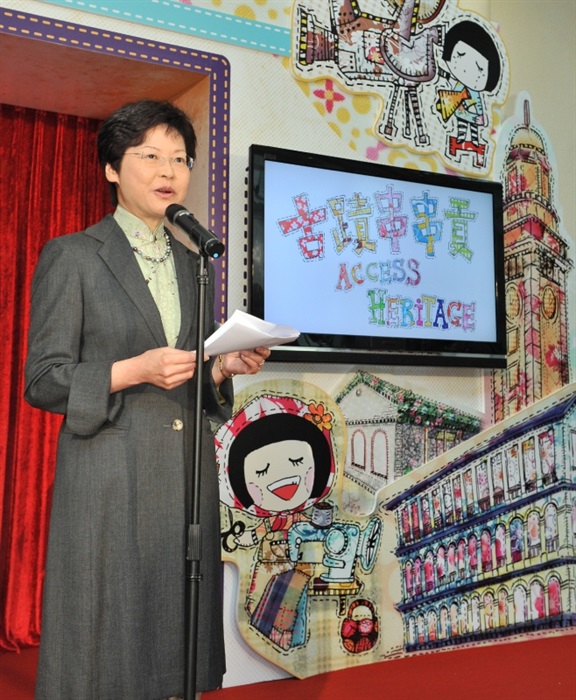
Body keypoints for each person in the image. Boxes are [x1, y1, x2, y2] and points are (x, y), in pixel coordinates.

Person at [24, 99, 270, 700]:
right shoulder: (74, 255)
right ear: (112, 168)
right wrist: (128, 370)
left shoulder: (194, 264)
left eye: (180, 159)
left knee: (175, 638)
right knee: (103, 642)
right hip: (108, 476)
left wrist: (220, 370)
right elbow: (44, 378)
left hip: (183, 477)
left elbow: (185, 368)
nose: (169, 171)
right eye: (150, 156)